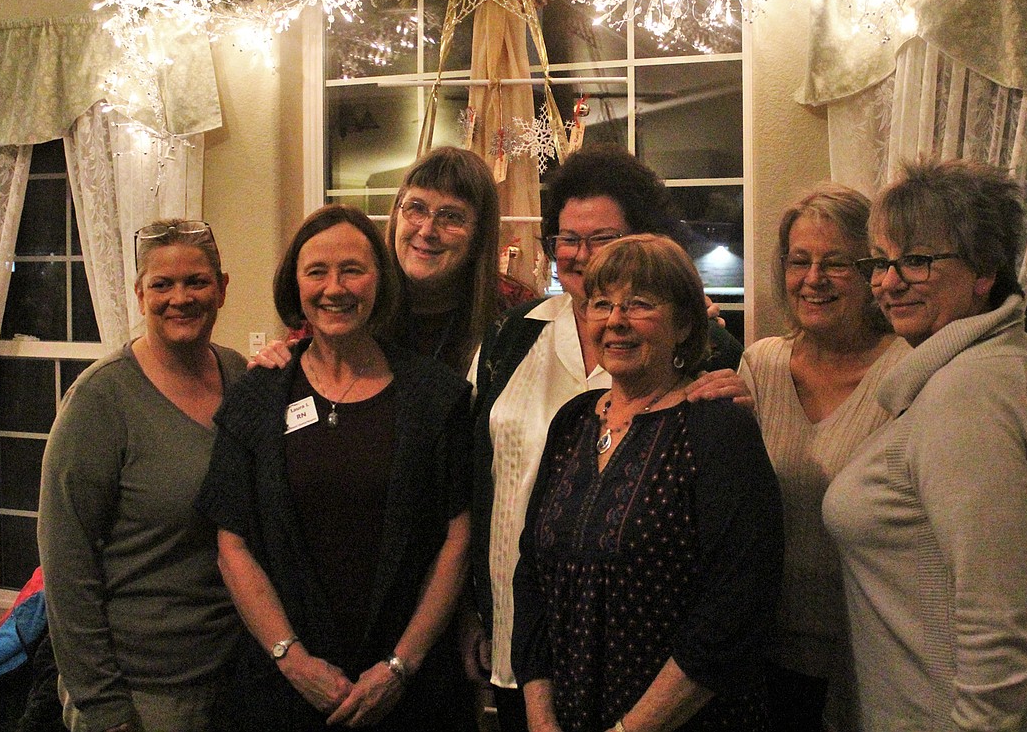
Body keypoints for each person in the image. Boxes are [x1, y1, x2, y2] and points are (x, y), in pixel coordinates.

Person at [469, 144, 746, 732]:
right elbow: (476, 477)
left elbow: (733, 576)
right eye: (566, 238)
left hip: (650, 665)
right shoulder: (511, 341)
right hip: (526, 638)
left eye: (602, 237)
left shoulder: (708, 357)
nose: (581, 254)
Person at [822, 159, 1027, 731]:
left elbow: (1000, 624)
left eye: (918, 261)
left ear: (983, 272)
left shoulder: (969, 390)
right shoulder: (988, 361)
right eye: (880, 261)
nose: (888, 281)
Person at [195, 205, 473, 731]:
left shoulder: (437, 397)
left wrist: (399, 666)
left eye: (353, 269)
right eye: (316, 271)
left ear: (379, 280)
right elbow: (232, 545)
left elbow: (457, 538)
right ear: (295, 285)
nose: (334, 288)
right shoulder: (256, 397)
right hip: (282, 694)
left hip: (411, 696)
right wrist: (292, 660)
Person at [511, 234, 784, 732]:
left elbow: (737, 605)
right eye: (601, 304)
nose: (615, 320)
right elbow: (531, 575)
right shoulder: (572, 423)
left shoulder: (717, 427)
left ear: (683, 324)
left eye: (640, 304)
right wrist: (540, 717)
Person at [39, 219, 245, 732]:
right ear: (138, 294)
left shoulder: (240, 375)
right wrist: (103, 706)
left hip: (234, 674)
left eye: (197, 281)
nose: (181, 298)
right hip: (141, 693)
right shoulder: (100, 400)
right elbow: (66, 567)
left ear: (222, 289)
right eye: (162, 284)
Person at [738, 184, 908, 732]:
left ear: (871, 272)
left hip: (875, 653)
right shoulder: (760, 365)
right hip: (764, 649)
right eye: (799, 261)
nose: (813, 279)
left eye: (836, 263)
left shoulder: (908, 370)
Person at [385, 145, 535, 373]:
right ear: (396, 216)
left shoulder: (517, 315)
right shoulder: (359, 300)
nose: (427, 231)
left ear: (479, 235)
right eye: (416, 208)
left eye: (451, 217)